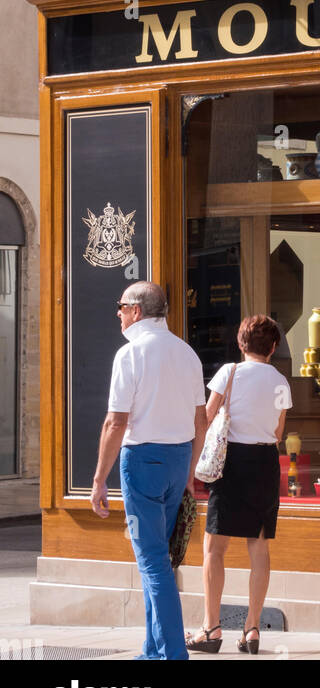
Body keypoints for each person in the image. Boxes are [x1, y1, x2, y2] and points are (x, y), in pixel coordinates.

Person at [90, 282, 207, 662]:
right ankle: (154, 649)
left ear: (137, 311)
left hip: (141, 461)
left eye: (121, 307)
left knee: (152, 559)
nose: (118, 313)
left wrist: (97, 481)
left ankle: (173, 653)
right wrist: (190, 470)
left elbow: (115, 422)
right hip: (177, 459)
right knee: (158, 557)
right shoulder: (187, 353)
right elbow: (201, 420)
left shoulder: (129, 354)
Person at [186, 314, 288, 655]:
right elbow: (277, 434)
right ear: (273, 347)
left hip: (231, 463)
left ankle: (211, 628)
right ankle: (253, 628)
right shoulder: (280, 382)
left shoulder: (228, 372)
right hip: (265, 464)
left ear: (241, 343)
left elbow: (207, 416)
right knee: (259, 548)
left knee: (215, 547)